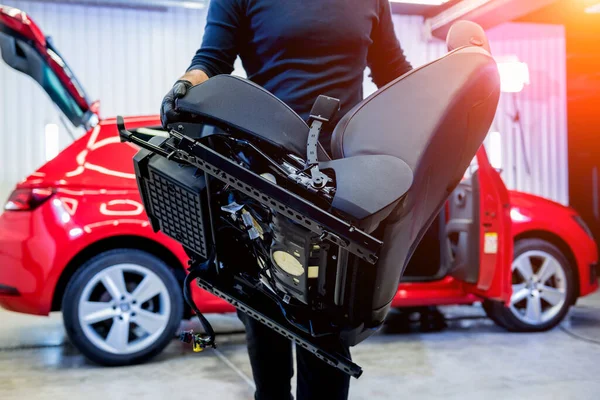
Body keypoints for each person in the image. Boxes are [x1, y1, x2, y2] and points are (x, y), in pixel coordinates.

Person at [161, 1, 412, 399]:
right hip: (262, 179)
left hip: (338, 188)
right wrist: (185, 89)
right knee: (267, 328)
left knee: (328, 334)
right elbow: (211, 59)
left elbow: (395, 74)